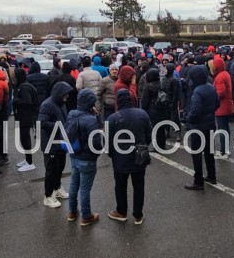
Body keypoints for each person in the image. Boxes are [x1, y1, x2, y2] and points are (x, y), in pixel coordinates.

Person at [107, 89, 151, 224]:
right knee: (139, 186)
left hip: (120, 158)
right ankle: (138, 215)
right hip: (139, 155)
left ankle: (121, 212)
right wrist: (143, 146)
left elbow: (108, 142)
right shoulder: (142, 114)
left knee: (120, 186)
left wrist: (112, 154)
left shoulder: (113, 118)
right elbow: (148, 135)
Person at [65, 89, 104, 226]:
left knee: (74, 184)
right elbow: (96, 143)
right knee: (85, 188)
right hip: (87, 158)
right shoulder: (90, 120)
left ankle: (71, 211)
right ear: (91, 103)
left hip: (74, 155)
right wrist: (96, 153)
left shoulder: (71, 114)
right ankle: (86, 216)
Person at [183, 65, 219, 190]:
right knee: (209, 152)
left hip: (198, 127)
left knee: (197, 154)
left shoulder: (197, 91)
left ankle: (198, 181)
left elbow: (195, 111)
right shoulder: (210, 87)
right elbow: (217, 104)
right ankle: (211, 176)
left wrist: (188, 118)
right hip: (210, 124)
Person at [40, 82, 73, 208]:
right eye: (66, 94)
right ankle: (48, 196)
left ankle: (57, 188)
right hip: (50, 143)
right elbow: (42, 122)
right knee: (51, 170)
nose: (67, 96)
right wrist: (60, 126)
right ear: (59, 93)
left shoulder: (61, 103)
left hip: (60, 142)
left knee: (60, 167)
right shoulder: (47, 105)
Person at [13, 68, 39, 172]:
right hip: (25, 116)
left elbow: (28, 102)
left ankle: (30, 162)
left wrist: (16, 100)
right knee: (23, 139)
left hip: (26, 117)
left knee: (25, 139)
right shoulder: (24, 85)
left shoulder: (24, 87)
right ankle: (27, 159)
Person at [212, 55, 234, 156]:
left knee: (221, 129)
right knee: (226, 128)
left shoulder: (219, 77)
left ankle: (223, 150)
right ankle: (226, 148)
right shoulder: (226, 73)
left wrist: (212, 95)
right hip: (228, 105)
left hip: (221, 107)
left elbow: (220, 93)